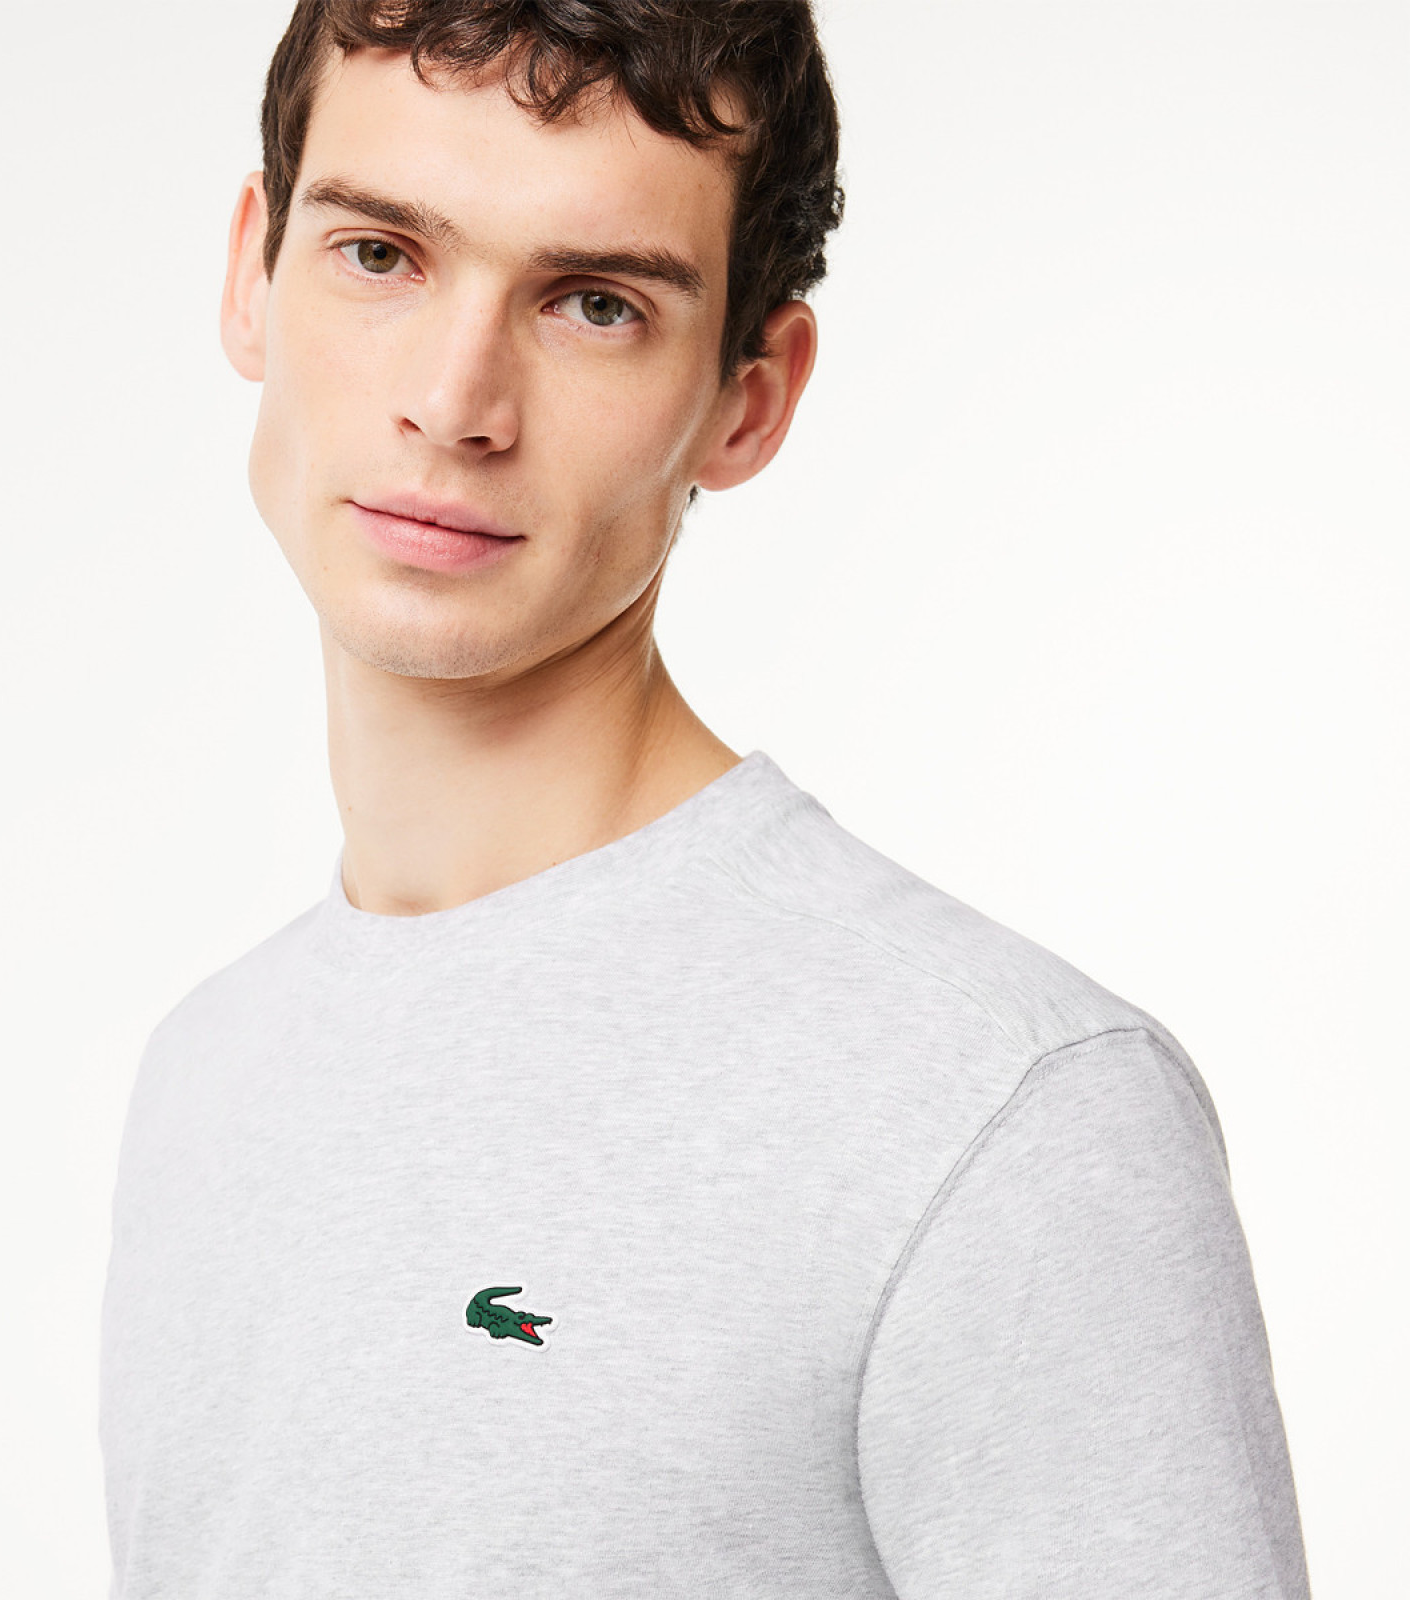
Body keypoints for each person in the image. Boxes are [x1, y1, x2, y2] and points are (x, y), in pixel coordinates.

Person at [98, 3, 1311, 1595]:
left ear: (750, 399)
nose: (454, 402)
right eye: (381, 255)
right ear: (252, 274)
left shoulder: (1009, 1114)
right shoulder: (206, 1076)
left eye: (594, 304)